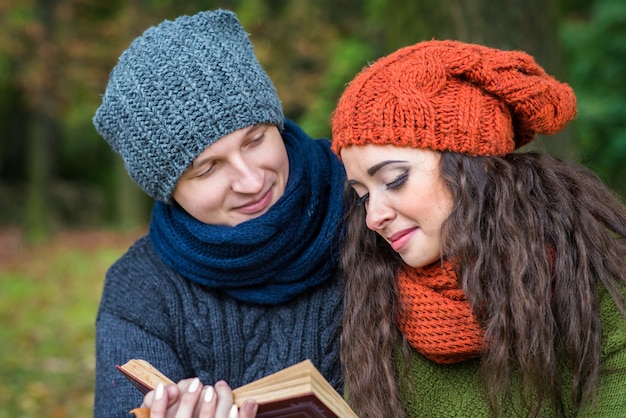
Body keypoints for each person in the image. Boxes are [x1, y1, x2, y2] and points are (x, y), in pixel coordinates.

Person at [330, 39, 626, 417]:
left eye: (394, 179)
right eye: (362, 195)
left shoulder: (594, 279)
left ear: (472, 167)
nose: (374, 217)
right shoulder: (378, 311)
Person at [92, 9, 346, 418]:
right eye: (209, 168)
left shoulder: (376, 215)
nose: (250, 180)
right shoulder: (140, 290)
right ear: (169, 191)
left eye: (255, 139)